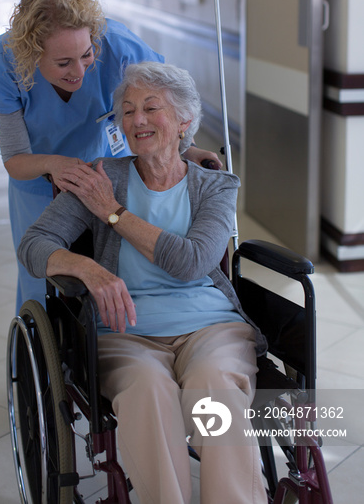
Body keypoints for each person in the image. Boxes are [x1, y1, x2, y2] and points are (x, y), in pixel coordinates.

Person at [18, 62, 268, 504]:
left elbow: (191, 263)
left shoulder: (216, 186)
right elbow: (34, 244)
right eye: (128, 110)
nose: (136, 120)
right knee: (148, 393)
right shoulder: (103, 178)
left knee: (216, 388)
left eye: (151, 108)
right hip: (125, 333)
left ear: (184, 122)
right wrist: (88, 268)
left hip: (211, 329)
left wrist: (113, 214)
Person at [0, 0, 221, 312]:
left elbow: (163, 106)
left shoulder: (118, 46)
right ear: (32, 54)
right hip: (39, 183)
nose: (80, 71)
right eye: (64, 62)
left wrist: (188, 148)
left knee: (121, 267)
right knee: (45, 275)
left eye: (86, 55)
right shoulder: (3, 66)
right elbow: (15, 159)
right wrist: (54, 164)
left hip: (107, 174)